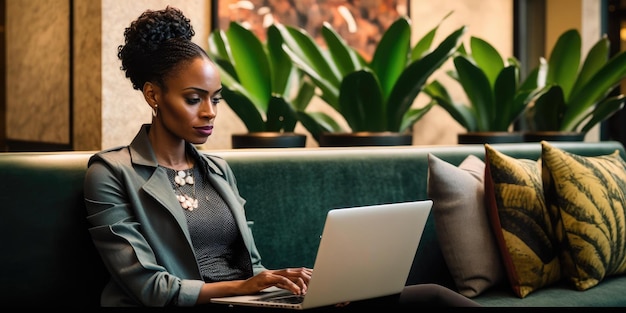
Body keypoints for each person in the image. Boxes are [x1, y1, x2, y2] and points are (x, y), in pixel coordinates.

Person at [83, 6, 480, 308]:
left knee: (428, 297)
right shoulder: (112, 172)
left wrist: (291, 288)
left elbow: (252, 266)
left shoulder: (217, 170)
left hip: (247, 305)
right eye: (193, 99)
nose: (210, 113)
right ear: (154, 95)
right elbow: (148, 287)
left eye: (215, 100)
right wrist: (250, 286)